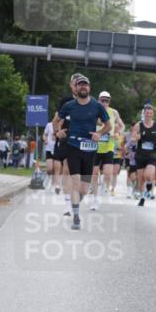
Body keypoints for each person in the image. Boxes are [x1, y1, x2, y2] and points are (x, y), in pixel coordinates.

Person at [55, 76, 111, 230]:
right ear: (76, 88)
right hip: (73, 146)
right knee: (75, 182)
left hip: (90, 149)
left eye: (85, 85)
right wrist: (58, 131)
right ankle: (76, 216)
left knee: (84, 189)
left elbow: (108, 125)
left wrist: (99, 134)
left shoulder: (97, 106)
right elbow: (55, 121)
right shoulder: (69, 105)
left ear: (89, 88)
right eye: (80, 85)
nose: (83, 87)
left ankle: (75, 204)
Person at [91, 91, 124, 209]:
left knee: (108, 174)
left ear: (109, 102)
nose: (104, 102)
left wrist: (117, 132)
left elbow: (122, 125)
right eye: (102, 100)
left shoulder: (113, 112)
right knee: (94, 174)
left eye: (107, 100)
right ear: (98, 100)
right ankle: (95, 198)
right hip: (94, 147)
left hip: (108, 146)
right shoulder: (93, 110)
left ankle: (100, 191)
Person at [52, 73, 80, 209]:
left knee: (77, 173)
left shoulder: (89, 102)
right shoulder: (65, 101)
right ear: (71, 85)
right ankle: (68, 201)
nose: (77, 86)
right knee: (67, 168)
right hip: (67, 139)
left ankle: (75, 196)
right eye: (75, 84)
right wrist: (58, 131)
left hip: (82, 140)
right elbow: (56, 119)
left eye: (80, 84)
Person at [130, 104, 156, 207]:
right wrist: (138, 136)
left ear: (153, 114)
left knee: (148, 176)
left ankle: (149, 184)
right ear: (144, 114)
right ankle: (142, 197)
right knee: (141, 178)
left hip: (152, 154)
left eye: (150, 113)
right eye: (147, 113)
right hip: (140, 155)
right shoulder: (138, 125)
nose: (148, 114)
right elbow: (132, 138)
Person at [42, 121, 56, 189]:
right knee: (50, 168)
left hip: (58, 149)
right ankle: (47, 177)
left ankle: (52, 185)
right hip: (49, 149)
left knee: (55, 169)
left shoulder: (63, 124)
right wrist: (45, 140)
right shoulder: (49, 124)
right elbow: (45, 134)